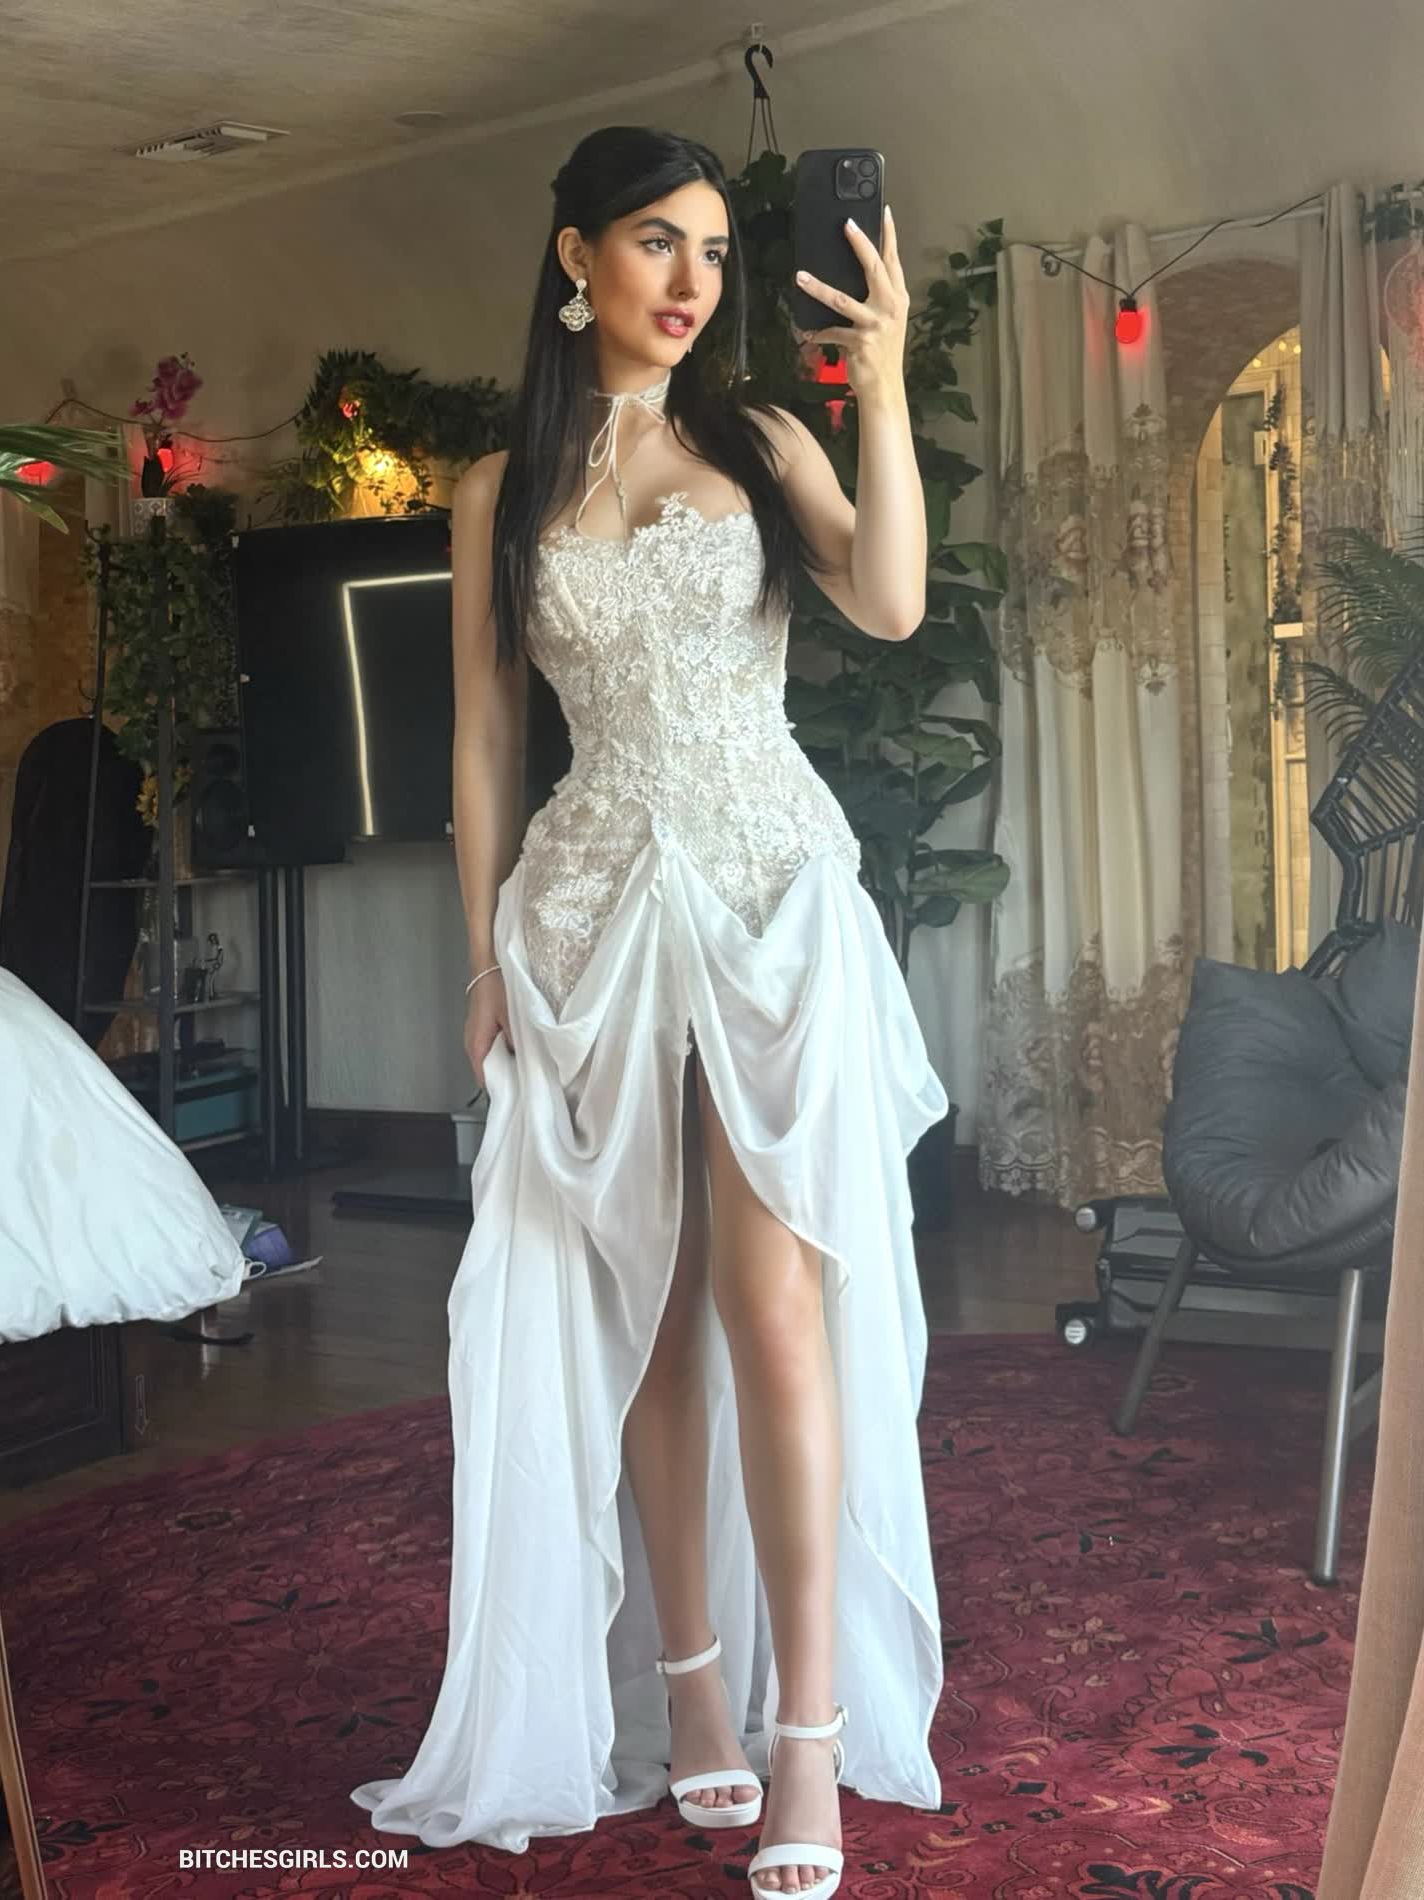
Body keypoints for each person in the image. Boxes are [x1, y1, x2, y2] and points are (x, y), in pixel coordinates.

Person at [351, 124, 949, 1900]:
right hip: (590, 915)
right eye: (653, 243)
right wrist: (483, 959)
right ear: (573, 257)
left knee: (774, 1303)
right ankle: (687, 1682)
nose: (691, 281)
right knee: (644, 1305)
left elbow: (889, 602)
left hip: (766, 905)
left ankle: (805, 1734)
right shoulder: (495, 489)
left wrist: (881, 380)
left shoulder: (758, 440)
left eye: (712, 251)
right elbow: (482, 740)